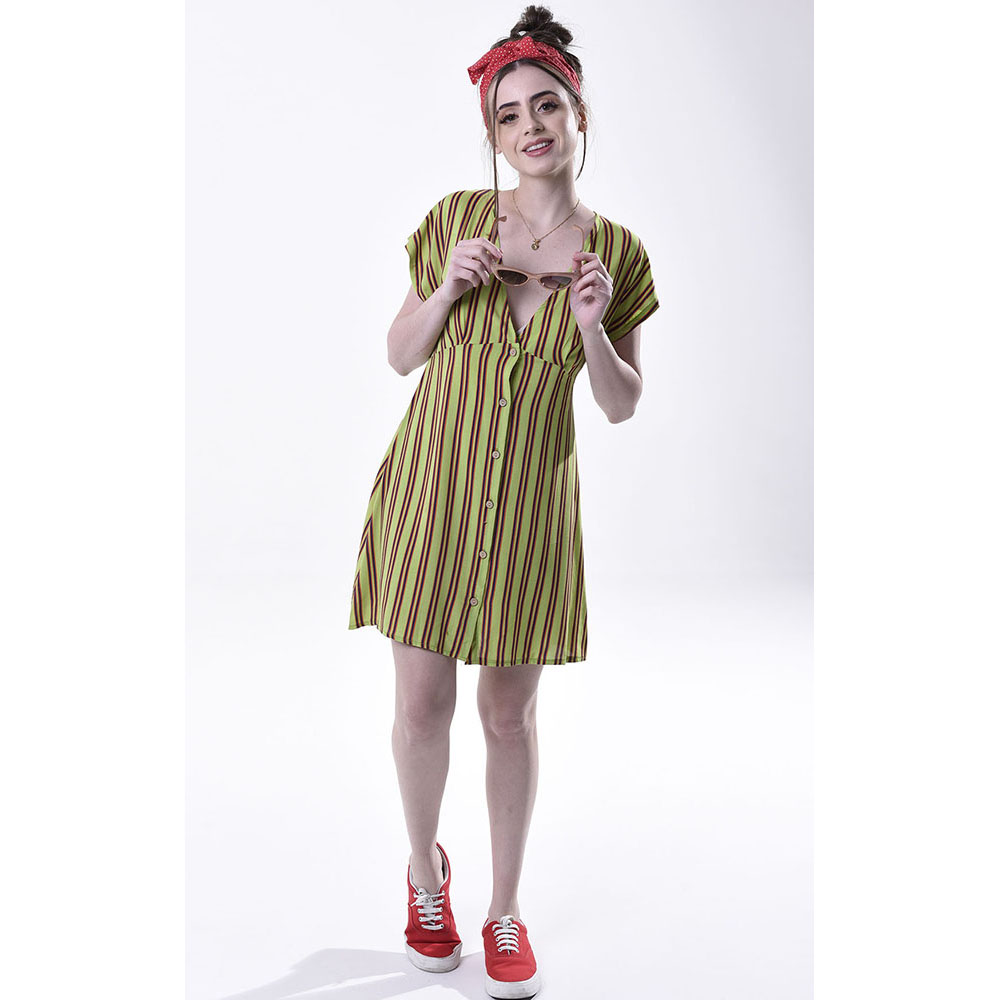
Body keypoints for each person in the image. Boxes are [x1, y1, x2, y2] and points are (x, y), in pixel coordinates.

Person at [347, 6, 660, 997]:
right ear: (491, 132)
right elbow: (399, 354)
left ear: (578, 114)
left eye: (547, 106)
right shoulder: (454, 221)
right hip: (431, 495)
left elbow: (620, 404)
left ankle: (504, 908)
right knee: (421, 706)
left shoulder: (619, 254)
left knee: (509, 715)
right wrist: (444, 290)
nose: (530, 126)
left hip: (529, 511)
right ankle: (425, 875)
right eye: (509, 114)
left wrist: (595, 327)